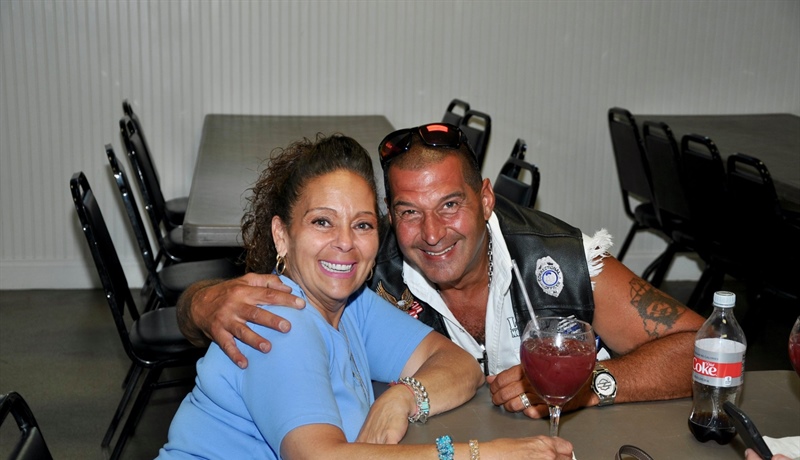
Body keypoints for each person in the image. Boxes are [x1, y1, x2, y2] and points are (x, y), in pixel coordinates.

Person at [177, 123, 706, 420]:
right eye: (409, 212)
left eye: (450, 205)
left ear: (486, 198)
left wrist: (592, 384)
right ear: (389, 217)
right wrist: (201, 303)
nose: (432, 234)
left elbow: (706, 348)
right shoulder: (360, 270)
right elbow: (260, 302)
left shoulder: (560, 260)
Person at [159, 134, 574, 459]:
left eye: (362, 225)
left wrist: (404, 396)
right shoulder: (278, 320)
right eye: (323, 222)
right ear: (282, 235)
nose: (345, 243)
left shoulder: (351, 305)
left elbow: (460, 365)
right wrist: (485, 454)